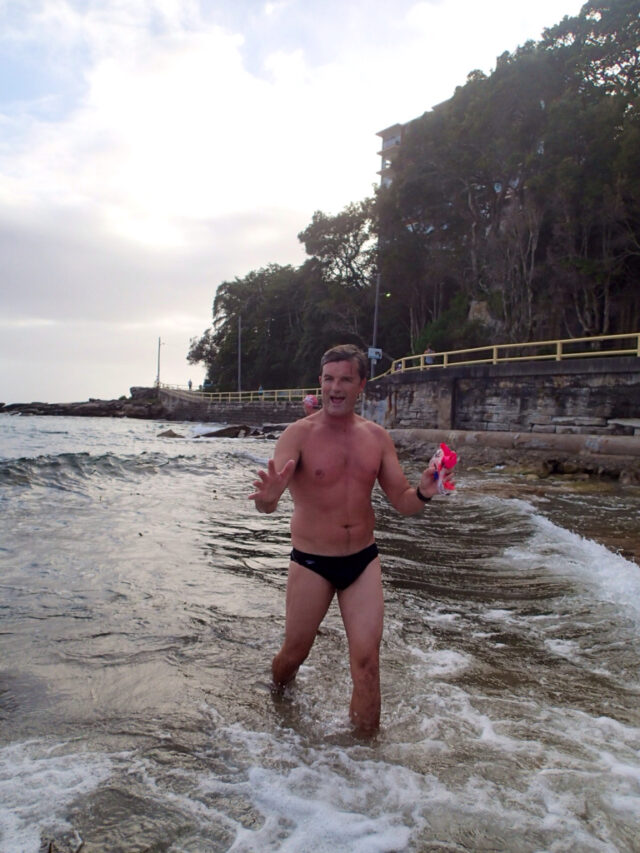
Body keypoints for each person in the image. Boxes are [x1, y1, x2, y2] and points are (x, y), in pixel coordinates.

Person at [249, 344, 453, 736]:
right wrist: (268, 500)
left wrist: (425, 491)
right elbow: (267, 504)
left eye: (345, 379)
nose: (335, 388)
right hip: (311, 561)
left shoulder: (376, 438)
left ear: (361, 385)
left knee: (367, 662)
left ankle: (364, 757)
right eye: (328, 379)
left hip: (362, 560)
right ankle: (276, 700)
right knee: (294, 654)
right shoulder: (298, 435)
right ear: (320, 382)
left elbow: (403, 502)